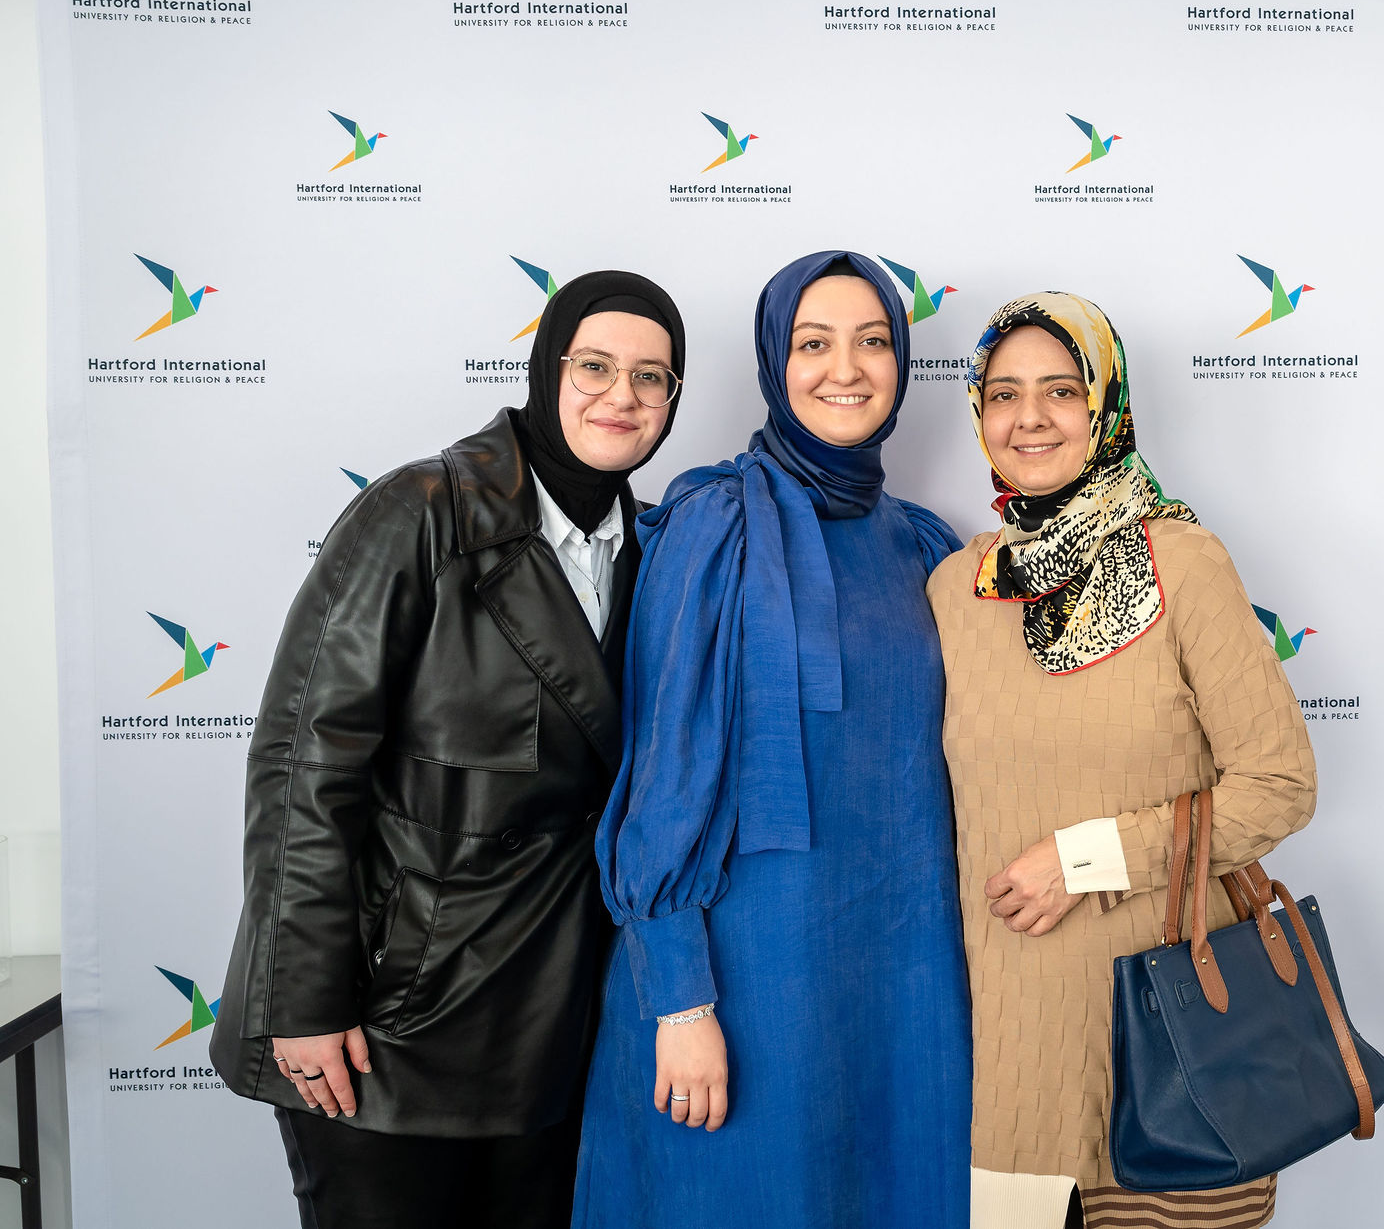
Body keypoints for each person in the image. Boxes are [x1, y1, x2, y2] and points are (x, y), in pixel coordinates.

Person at [210, 272, 687, 1229]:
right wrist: (302, 997)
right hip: (385, 1025)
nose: (621, 396)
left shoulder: (655, 544)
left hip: (555, 1031)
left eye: (652, 377)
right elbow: (305, 765)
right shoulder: (420, 512)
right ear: (545, 367)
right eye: (594, 366)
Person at [574, 251, 970, 1228]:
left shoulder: (925, 543)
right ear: (771, 360)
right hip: (742, 984)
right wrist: (678, 999)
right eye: (813, 342)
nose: (847, 367)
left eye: (873, 341)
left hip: (904, 988)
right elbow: (664, 774)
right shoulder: (715, 523)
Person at [927, 293, 1318, 1229]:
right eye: (1004, 393)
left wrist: (1087, 858)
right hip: (1011, 1053)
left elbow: (1281, 786)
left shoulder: (1184, 562)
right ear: (977, 411)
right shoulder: (954, 587)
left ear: (1106, 408)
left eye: (1061, 390)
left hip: (1176, 1039)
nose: (1030, 417)